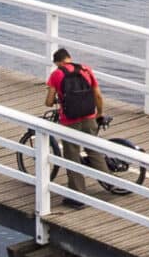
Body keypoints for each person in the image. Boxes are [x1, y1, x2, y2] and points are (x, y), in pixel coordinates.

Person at [43, 48, 106, 195]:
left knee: (72, 157)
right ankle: (111, 182)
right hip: (89, 117)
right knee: (93, 150)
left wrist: (52, 101)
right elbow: (98, 96)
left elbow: (49, 101)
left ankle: (77, 194)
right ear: (69, 58)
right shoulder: (86, 69)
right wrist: (100, 113)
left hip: (70, 121)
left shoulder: (56, 74)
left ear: (57, 63)